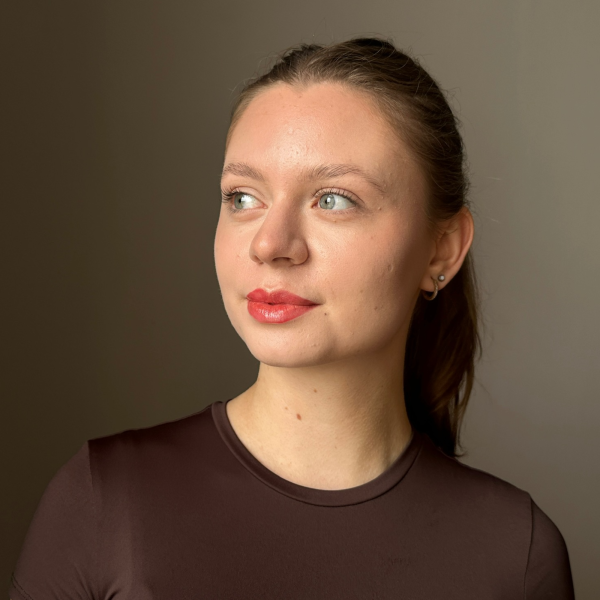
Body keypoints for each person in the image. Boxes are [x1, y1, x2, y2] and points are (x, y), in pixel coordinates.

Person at [9, 37, 575, 599]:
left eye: (333, 199)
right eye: (242, 198)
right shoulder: (101, 501)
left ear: (442, 250)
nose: (270, 244)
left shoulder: (517, 556)